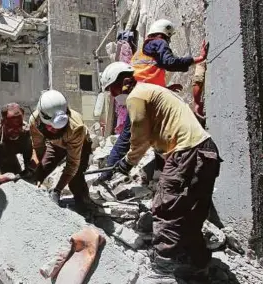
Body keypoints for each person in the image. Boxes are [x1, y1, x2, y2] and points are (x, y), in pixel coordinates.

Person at [100, 62, 222, 281]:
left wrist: (127, 163)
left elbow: (139, 137)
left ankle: (162, 271)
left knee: (165, 208)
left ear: (124, 82)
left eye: (112, 90)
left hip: (186, 152)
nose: (112, 96)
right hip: (206, 151)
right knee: (192, 213)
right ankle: (199, 265)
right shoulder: (155, 92)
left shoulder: (137, 96)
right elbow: (155, 133)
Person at [96, 19, 209, 182]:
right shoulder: (158, 42)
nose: (167, 42)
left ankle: (157, 172)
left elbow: (146, 77)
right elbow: (169, 62)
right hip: (142, 99)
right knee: (134, 137)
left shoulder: (142, 51)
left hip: (140, 96)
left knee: (141, 136)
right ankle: (109, 174)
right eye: (168, 38)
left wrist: (166, 89)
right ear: (164, 34)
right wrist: (198, 59)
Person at [29, 90, 95, 217]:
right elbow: (38, 149)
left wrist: (57, 190)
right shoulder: (35, 121)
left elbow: (72, 165)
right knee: (40, 170)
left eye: (59, 127)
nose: (55, 130)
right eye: (51, 127)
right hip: (55, 144)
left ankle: (85, 207)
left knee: (76, 179)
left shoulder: (76, 126)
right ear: (43, 119)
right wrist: (32, 170)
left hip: (81, 144)